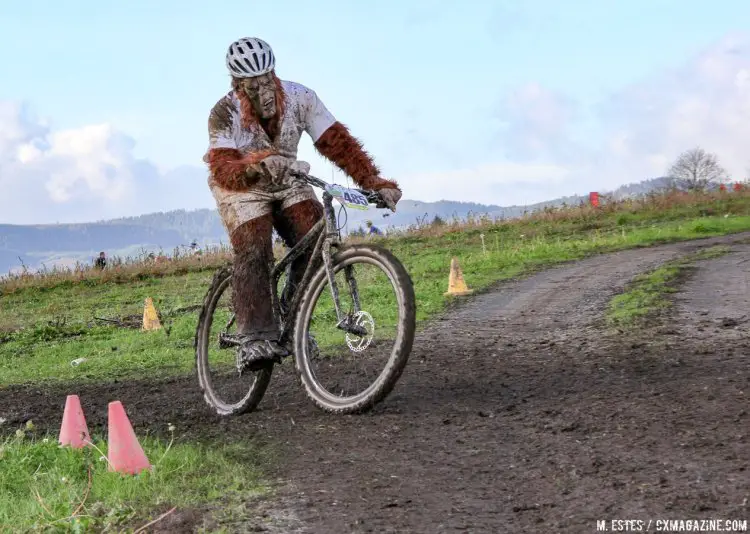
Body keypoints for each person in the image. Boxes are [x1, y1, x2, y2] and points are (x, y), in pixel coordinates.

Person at [204, 37, 402, 371]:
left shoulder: (301, 98)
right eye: (254, 86)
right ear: (239, 84)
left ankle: (294, 316)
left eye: (268, 81)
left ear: (275, 75)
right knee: (254, 245)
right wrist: (253, 165)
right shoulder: (223, 113)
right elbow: (222, 167)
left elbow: (336, 142)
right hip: (242, 187)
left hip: (289, 180)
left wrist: (373, 181)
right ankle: (254, 337)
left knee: (313, 234)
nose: (264, 91)